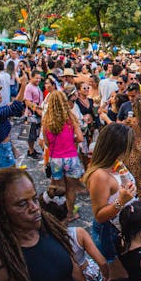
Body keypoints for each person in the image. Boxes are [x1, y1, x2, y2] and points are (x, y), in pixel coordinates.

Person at [0, 168, 90, 281]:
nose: (35, 208)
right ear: (0, 212)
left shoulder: (50, 229)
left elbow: (75, 273)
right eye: (22, 204)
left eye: (34, 199)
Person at [85, 122, 138, 262]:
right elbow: (99, 216)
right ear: (117, 149)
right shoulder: (100, 176)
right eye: (129, 147)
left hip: (123, 229)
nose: (131, 151)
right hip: (110, 232)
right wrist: (121, 201)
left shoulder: (117, 163)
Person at [40, 185, 109, 281]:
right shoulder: (79, 233)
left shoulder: (41, 240)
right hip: (87, 277)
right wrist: (106, 275)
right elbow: (102, 262)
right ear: (66, 210)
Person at [43, 90, 85, 221]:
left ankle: (54, 212)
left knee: (58, 187)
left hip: (56, 158)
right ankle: (70, 214)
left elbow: (46, 142)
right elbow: (80, 138)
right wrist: (70, 141)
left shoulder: (46, 121)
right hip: (71, 157)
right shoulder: (71, 118)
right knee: (71, 189)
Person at [0, 81, 30, 170]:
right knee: (9, 179)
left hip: (2, 149)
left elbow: (4, 134)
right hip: (1, 152)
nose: (0, 95)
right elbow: (14, 106)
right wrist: (23, 86)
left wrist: (13, 149)